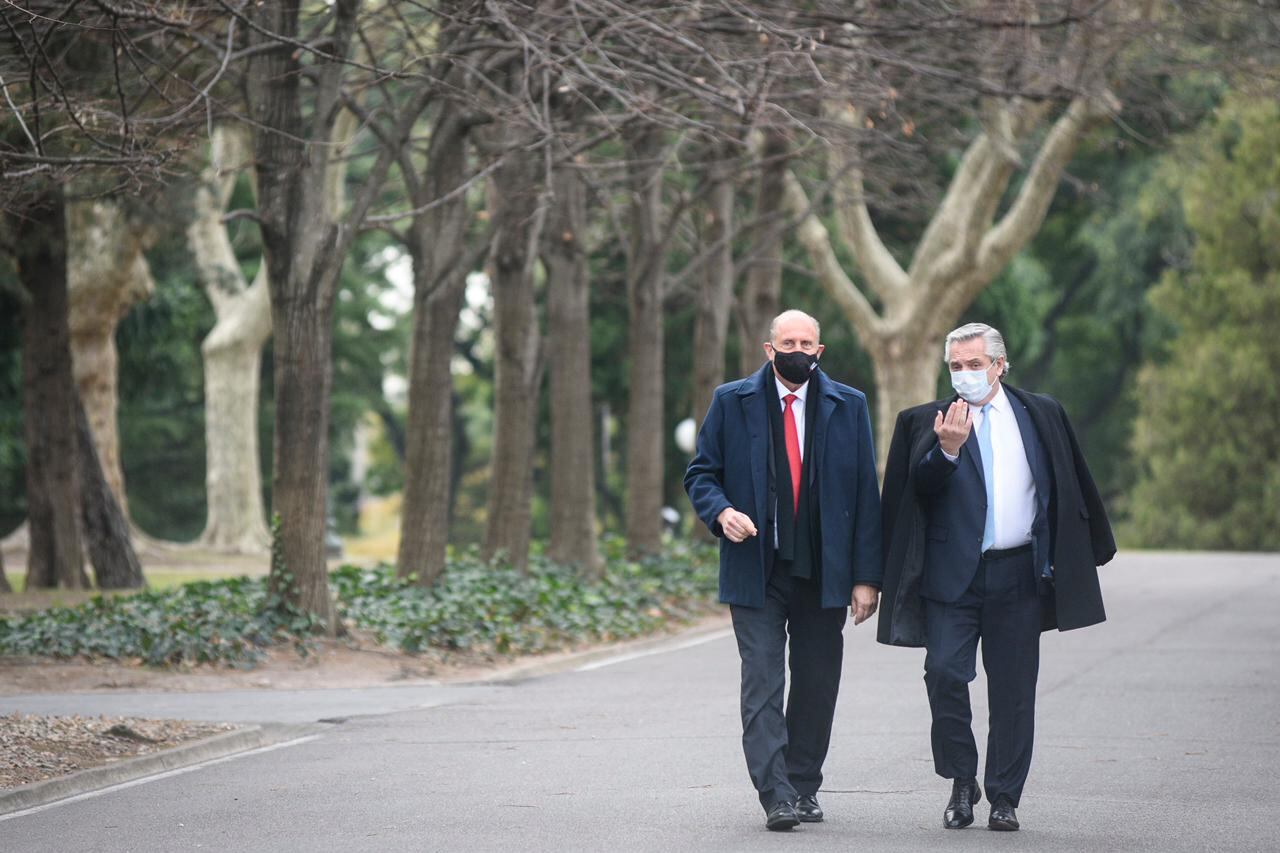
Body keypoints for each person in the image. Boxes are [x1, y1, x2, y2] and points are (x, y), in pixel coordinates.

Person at [877, 322, 1115, 832]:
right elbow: (910, 494)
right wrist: (946, 450)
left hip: (1019, 574)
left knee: (1013, 691)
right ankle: (962, 781)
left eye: (974, 365)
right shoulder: (926, 420)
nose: (965, 375)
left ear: (999, 365)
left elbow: (1070, 479)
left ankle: (1005, 796)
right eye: (956, 367)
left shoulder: (1041, 413)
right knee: (942, 673)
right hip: (951, 578)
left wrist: (1086, 548)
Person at [684, 309, 882, 831]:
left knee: (817, 682)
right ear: (769, 349)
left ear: (819, 350)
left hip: (824, 571)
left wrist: (867, 576)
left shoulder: (849, 405)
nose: (798, 349)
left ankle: (803, 784)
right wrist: (721, 512)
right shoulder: (733, 401)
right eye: (787, 341)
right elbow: (701, 473)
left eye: (807, 342)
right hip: (756, 568)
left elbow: (866, 493)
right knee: (763, 683)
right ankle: (775, 793)